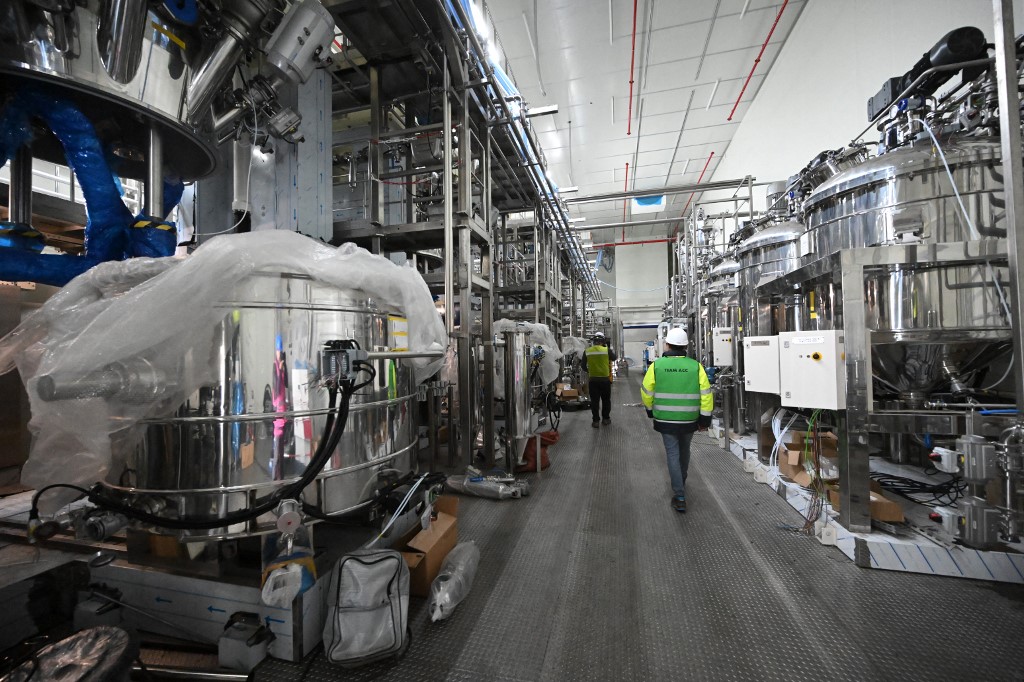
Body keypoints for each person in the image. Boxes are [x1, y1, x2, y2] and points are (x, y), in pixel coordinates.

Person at [640, 327, 713, 513]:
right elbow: (706, 394)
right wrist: (705, 419)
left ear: (667, 345)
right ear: (685, 346)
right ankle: (681, 480)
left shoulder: (656, 366)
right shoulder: (696, 366)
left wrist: (650, 411)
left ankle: (679, 495)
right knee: (684, 450)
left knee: (672, 454)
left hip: (665, 419)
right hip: (690, 419)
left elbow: (646, 392)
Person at [585, 332, 617, 428]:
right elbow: (614, 358)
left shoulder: (587, 351)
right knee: (606, 400)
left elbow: (583, 366)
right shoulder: (606, 350)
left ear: (593, 341)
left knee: (594, 401)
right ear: (603, 341)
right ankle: (606, 419)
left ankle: (595, 421)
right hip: (605, 380)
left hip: (593, 380)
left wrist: (590, 371)